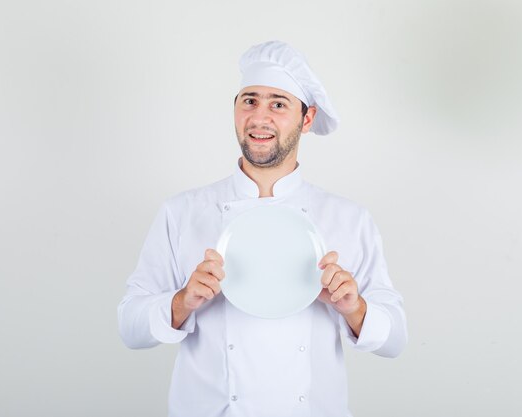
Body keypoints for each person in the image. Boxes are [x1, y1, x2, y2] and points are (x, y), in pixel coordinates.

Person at [118, 40, 407, 417]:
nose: (259, 118)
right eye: (249, 101)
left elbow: (396, 339)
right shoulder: (183, 212)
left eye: (278, 104)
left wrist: (355, 310)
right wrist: (181, 302)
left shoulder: (348, 219)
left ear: (306, 119)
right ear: (235, 109)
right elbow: (129, 326)